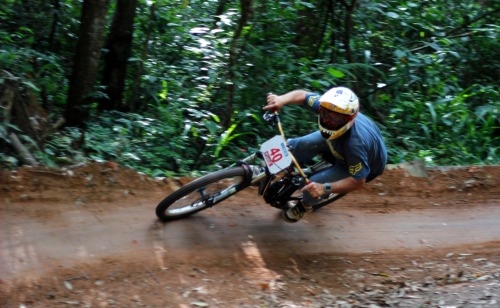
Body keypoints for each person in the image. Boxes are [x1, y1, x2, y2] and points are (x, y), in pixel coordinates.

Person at [263, 87, 387, 223]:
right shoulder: (330, 107)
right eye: (325, 114)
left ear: (348, 119)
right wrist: (281, 99)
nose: (328, 120)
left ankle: (305, 205)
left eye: (336, 118)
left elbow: (358, 181)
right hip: (341, 139)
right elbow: (304, 96)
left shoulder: (355, 144)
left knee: (311, 187)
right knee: (296, 146)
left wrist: (324, 188)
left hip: (366, 162)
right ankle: (264, 168)